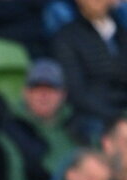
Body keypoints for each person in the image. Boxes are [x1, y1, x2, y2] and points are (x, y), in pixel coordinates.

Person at [52, 0, 127, 140]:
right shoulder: (67, 37)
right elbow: (77, 92)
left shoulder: (121, 33)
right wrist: (116, 117)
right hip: (92, 115)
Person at [5, 59, 79, 180]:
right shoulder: (11, 130)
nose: (44, 95)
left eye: (51, 88)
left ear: (63, 94)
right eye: (37, 88)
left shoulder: (80, 127)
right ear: (25, 93)